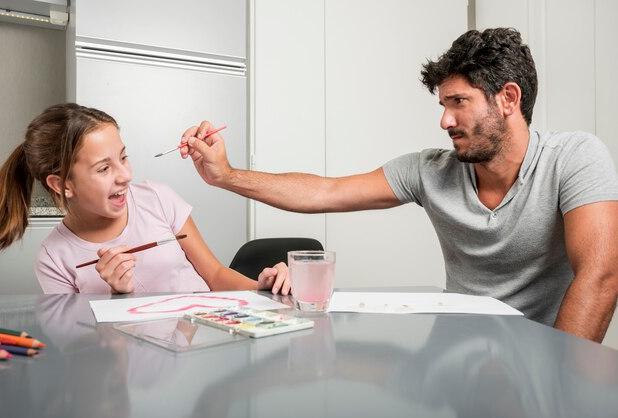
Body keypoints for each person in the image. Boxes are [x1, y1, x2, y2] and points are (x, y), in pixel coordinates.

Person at [178, 28, 618, 343]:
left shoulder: (574, 157)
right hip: (455, 358)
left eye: (458, 103)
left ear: (508, 98)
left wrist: (560, 382)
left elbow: (600, 277)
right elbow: (326, 192)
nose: (445, 120)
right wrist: (226, 175)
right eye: (443, 104)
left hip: (542, 355)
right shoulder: (430, 170)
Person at [0, 103, 290, 295]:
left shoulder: (157, 198)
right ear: (62, 184)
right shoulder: (54, 258)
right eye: (104, 168)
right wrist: (117, 296)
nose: (125, 175)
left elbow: (215, 275)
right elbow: (82, 353)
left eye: (124, 158)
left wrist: (263, 289)